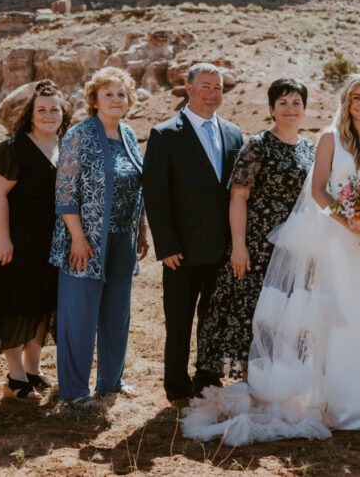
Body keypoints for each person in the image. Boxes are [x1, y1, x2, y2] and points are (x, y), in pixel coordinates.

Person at [181, 74, 360, 445]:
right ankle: (326, 400)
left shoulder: (359, 143)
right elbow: (307, 192)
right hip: (306, 241)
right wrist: (349, 221)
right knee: (306, 316)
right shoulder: (315, 140)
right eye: (356, 97)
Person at [197, 79, 314, 383]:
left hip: (295, 250)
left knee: (288, 312)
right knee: (252, 309)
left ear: (305, 108)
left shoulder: (312, 150)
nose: (290, 109)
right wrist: (239, 246)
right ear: (272, 109)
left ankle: (279, 377)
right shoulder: (258, 145)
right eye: (283, 103)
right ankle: (249, 380)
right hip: (258, 245)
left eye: (296, 103)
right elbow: (238, 197)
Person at [143, 63, 244, 407]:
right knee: (180, 320)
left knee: (214, 319)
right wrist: (166, 244)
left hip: (223, 249)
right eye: (205, 86)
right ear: (188, 89)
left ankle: (208, 377)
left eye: (217, 87)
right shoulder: (165, 134)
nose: (213, 93)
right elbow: (155, 195)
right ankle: (175, 385)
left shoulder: (233, 133)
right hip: (182, 250)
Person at [50, 67, 149, 407]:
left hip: (123, 236)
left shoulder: (130, 134)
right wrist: (78, 238)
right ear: (94, 100)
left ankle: (111, 381)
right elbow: (65, 192)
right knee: (80, 314)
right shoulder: (79, 134)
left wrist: (142, 230)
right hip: (85, 239)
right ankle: (75, 391)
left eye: (121, 94)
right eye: (108, 94)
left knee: (117, 311)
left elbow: (138, 188)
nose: (116, 100)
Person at [0, 80, 71, 403]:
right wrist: (4, 240)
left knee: (41, 303)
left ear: (63, 113)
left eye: (54, 109)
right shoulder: (13, 147)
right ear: (30, 114)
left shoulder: (65, 146)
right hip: (16, 241)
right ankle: (14, 377)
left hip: (50, 243)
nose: (48, 114)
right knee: (13, 303)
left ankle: (33, 369)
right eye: (41, 109)